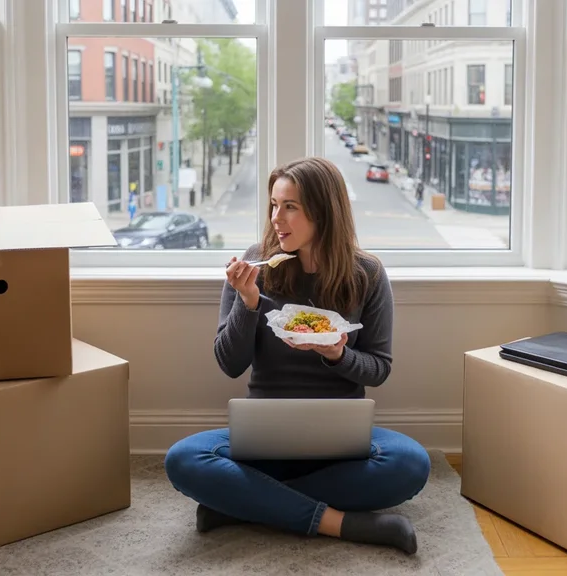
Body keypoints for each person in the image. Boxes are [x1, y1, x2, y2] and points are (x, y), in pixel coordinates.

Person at [164, 156, 431, 555]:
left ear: (324, 212)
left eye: (290, 207)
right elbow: (229, 363)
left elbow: (379, 369)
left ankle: (244, 506)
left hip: (337, 443)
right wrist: (248, 302)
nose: (276, 217)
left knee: (411, 463)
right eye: (274, 204)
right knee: (183, 459)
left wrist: (340, 354)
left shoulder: (368, 274)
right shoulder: (255, 266)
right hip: (265, 438)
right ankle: (343, 524)